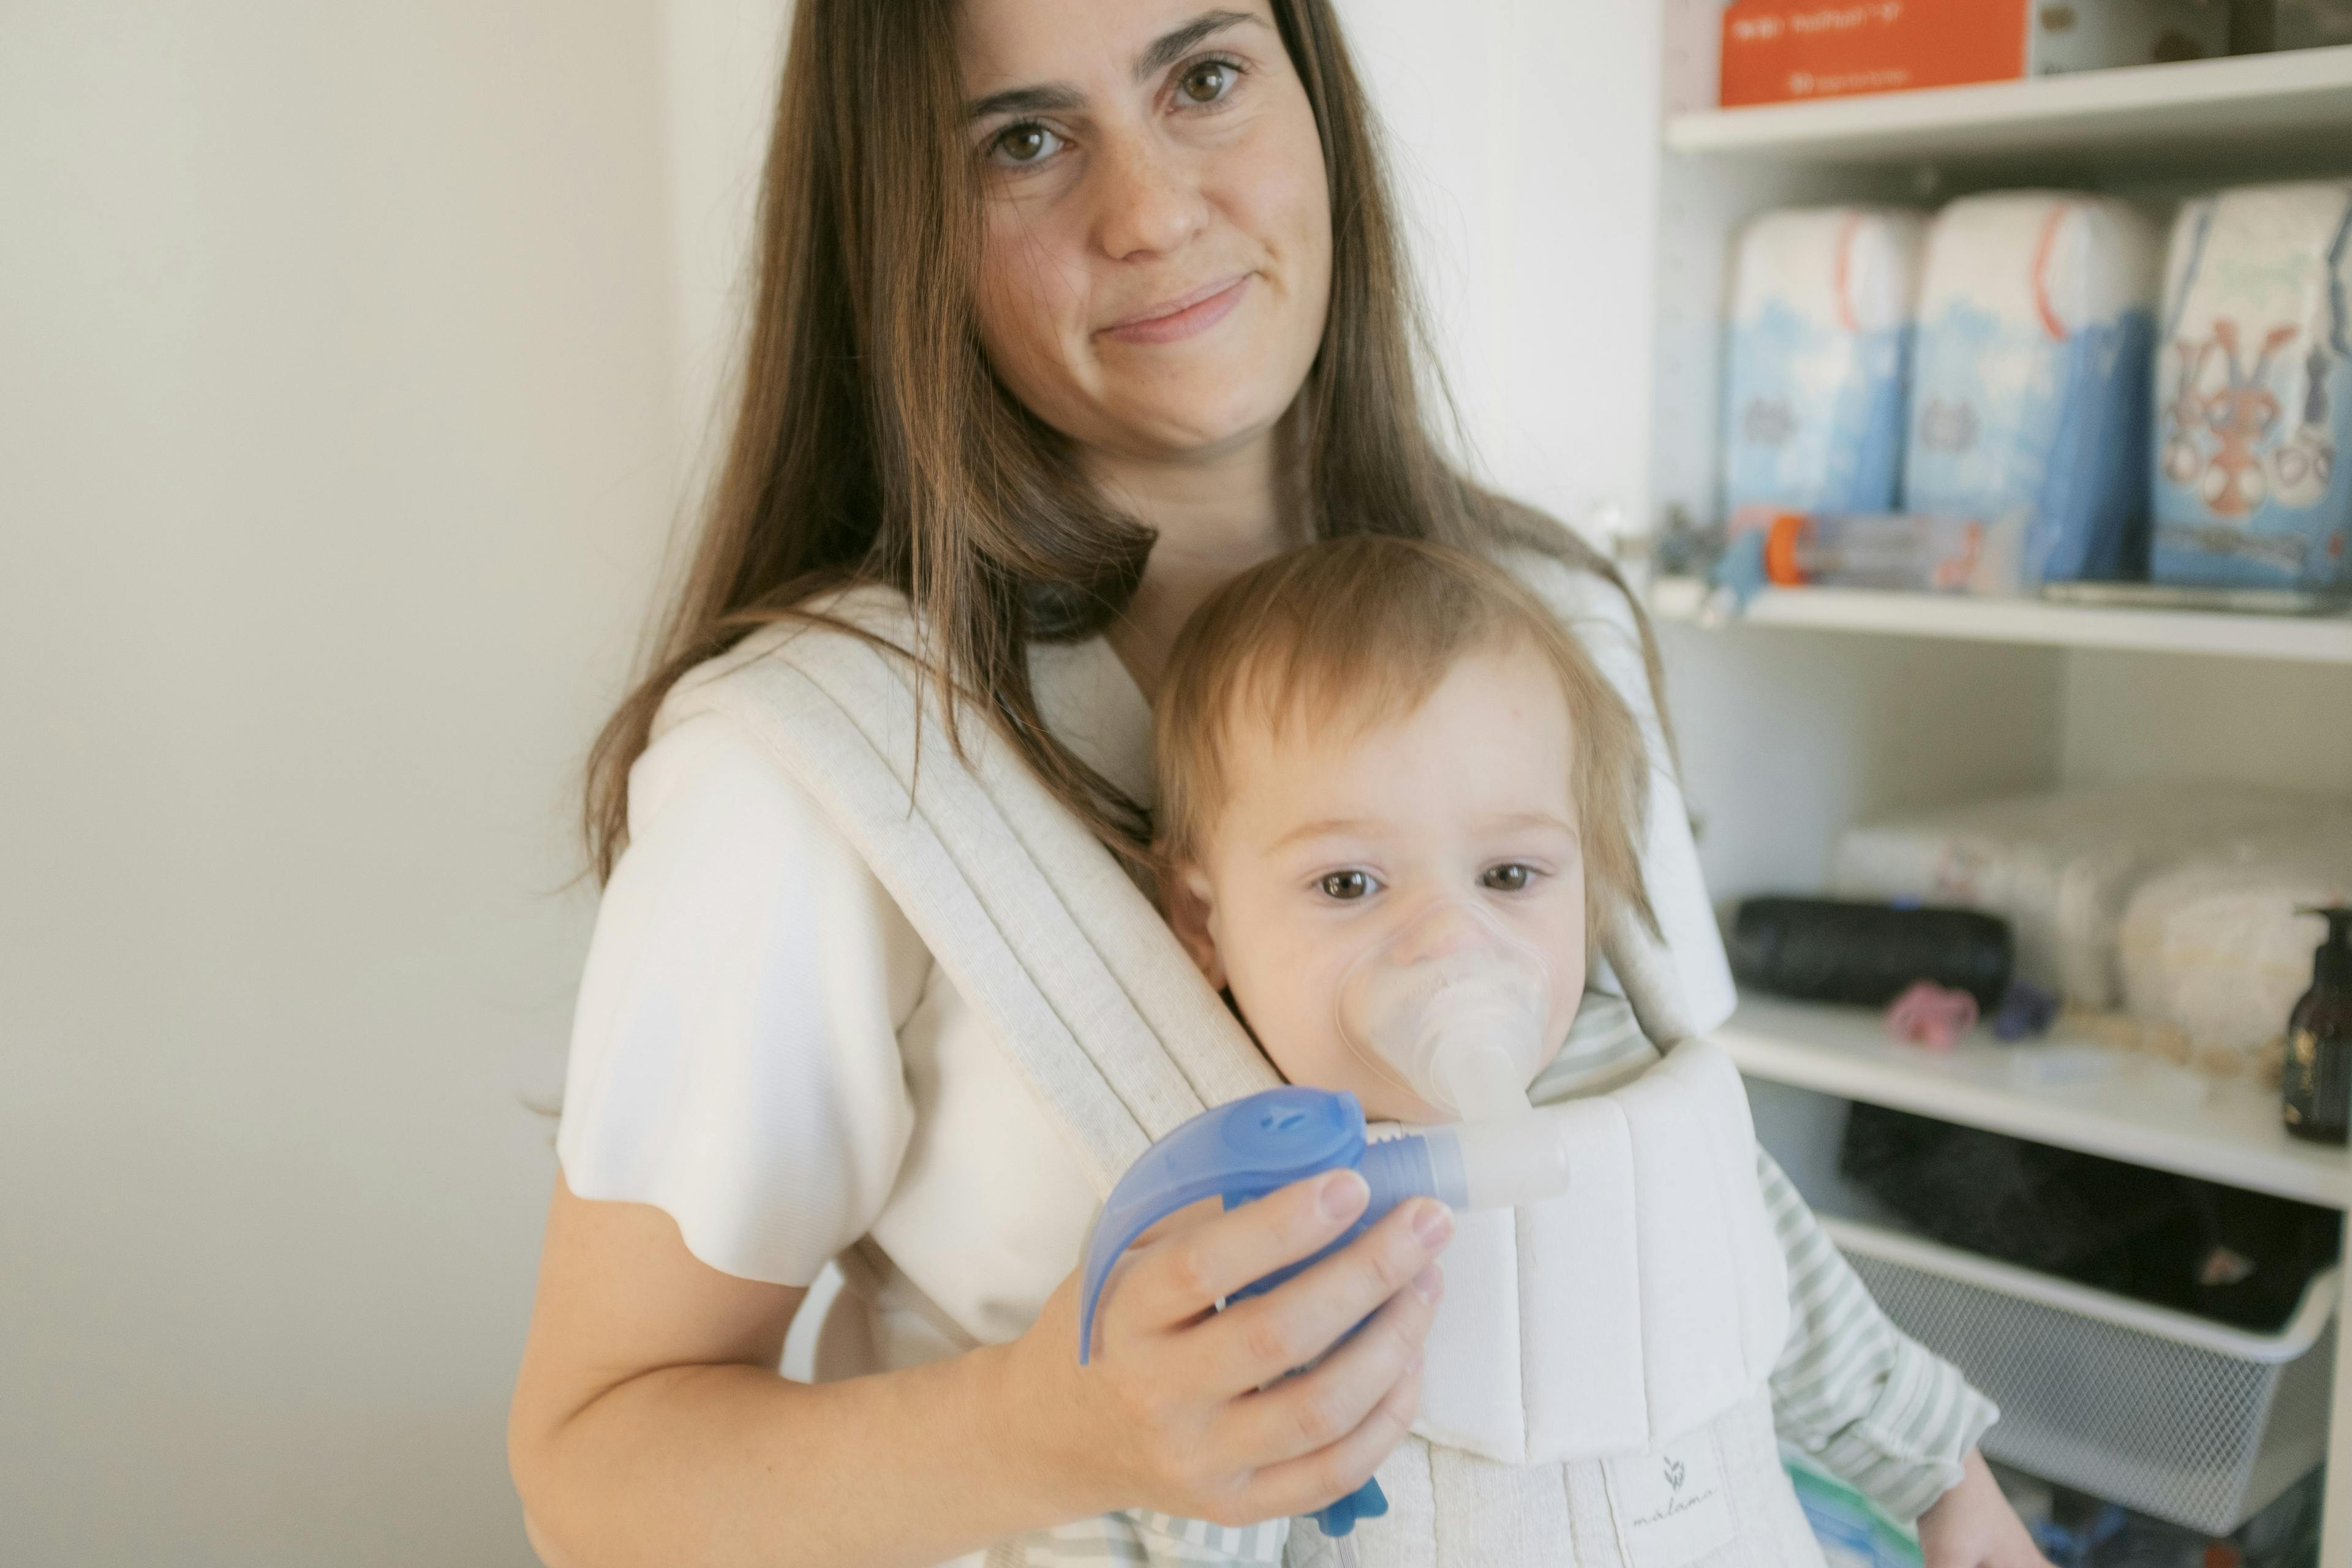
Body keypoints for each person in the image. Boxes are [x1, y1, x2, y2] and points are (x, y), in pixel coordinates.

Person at [507, 3, 2049, 1566]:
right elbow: (589, 1475)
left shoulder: (1553, 617)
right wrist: (1044, 1434)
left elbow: (1690, 1179)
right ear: (899, 224)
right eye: (1024, 141)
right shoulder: (814, 767)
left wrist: (1938, 1482)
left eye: (1207, 78)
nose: (1156, 213)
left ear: (1316, 97)